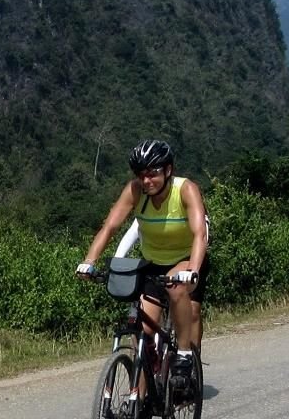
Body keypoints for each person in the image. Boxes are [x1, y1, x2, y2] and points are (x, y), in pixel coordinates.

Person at [77, 139, 208, 393]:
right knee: (143, 329)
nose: (147, 181)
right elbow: (110, 227)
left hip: (186, 257)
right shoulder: (135, 191)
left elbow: (199, 235)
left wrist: (192, 270)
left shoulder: (185, 189)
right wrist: (89, 261)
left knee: (179, 293)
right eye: (142, 175)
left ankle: (183, 355)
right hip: (152, 262)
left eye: (153, 174)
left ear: (168, 170)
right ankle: (139, 397)